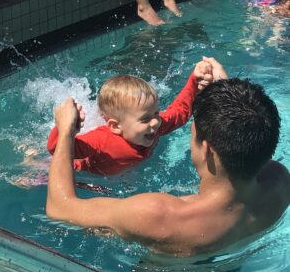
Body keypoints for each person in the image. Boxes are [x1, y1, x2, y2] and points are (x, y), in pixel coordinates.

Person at [46, 57, 290, 257]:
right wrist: (229, 97)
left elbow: (60, 209)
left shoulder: (158, 215)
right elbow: (248, 141)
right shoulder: (280, 182)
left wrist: (66, 129)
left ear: (206, 149)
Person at [47, 60, 212, 175]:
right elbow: (58, 150)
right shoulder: (101, 140)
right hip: (83, 172)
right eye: (145, 119)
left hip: (121, 171)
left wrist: (194, 82)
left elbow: (181, 112)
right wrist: (67, 126)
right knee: (56, 170)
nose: (155, 121)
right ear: (115, 126)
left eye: (156, 113)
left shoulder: (156, 126)